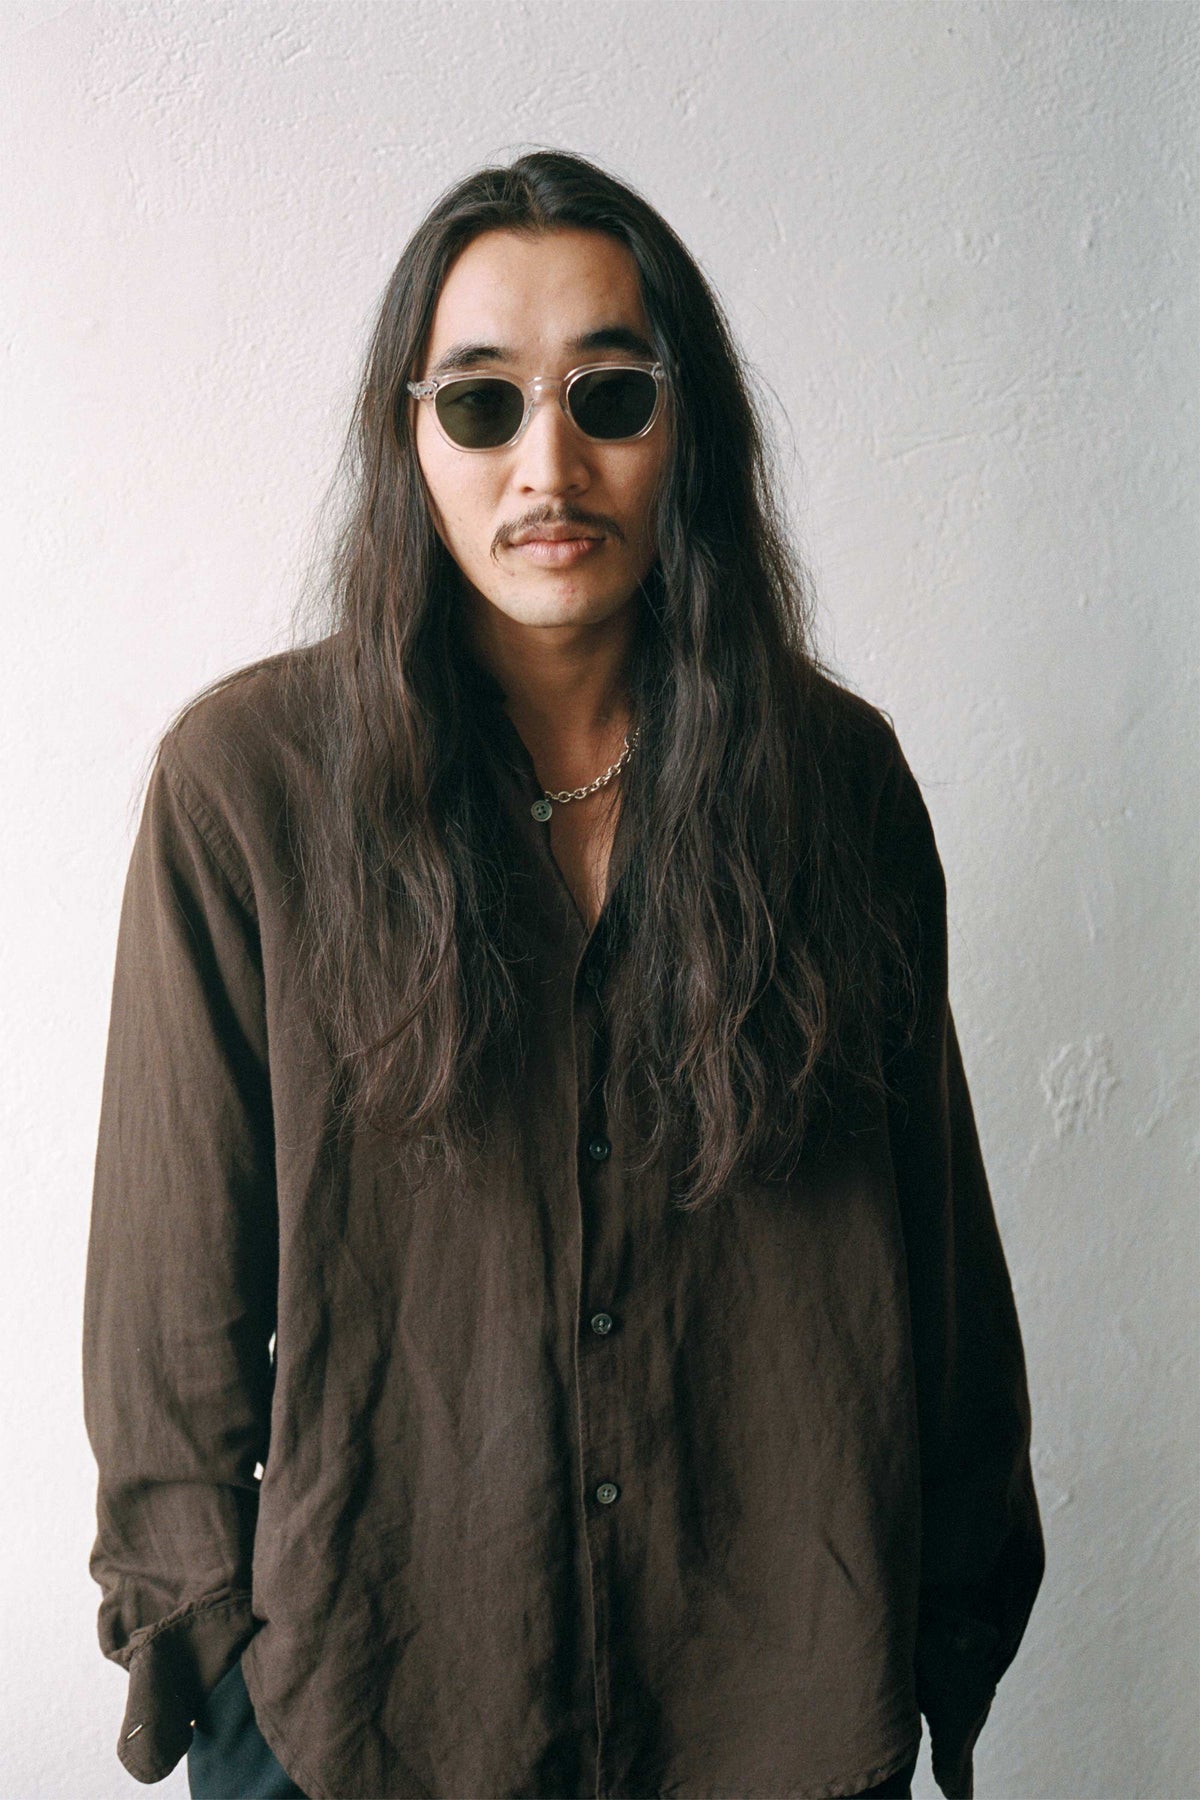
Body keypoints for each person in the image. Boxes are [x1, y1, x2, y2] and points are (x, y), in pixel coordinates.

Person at [82, 149, 1044, 1800]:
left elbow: (939, 1264)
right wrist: (220, 1669)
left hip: (781, 1718)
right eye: (481, 404)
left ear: (688, 429)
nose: (548, 464)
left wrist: (943, 1634)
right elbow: (168, 1311)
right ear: (410, 440)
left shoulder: (835, 787)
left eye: (610, 395)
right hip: (366, 1720)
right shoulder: (247, 792)